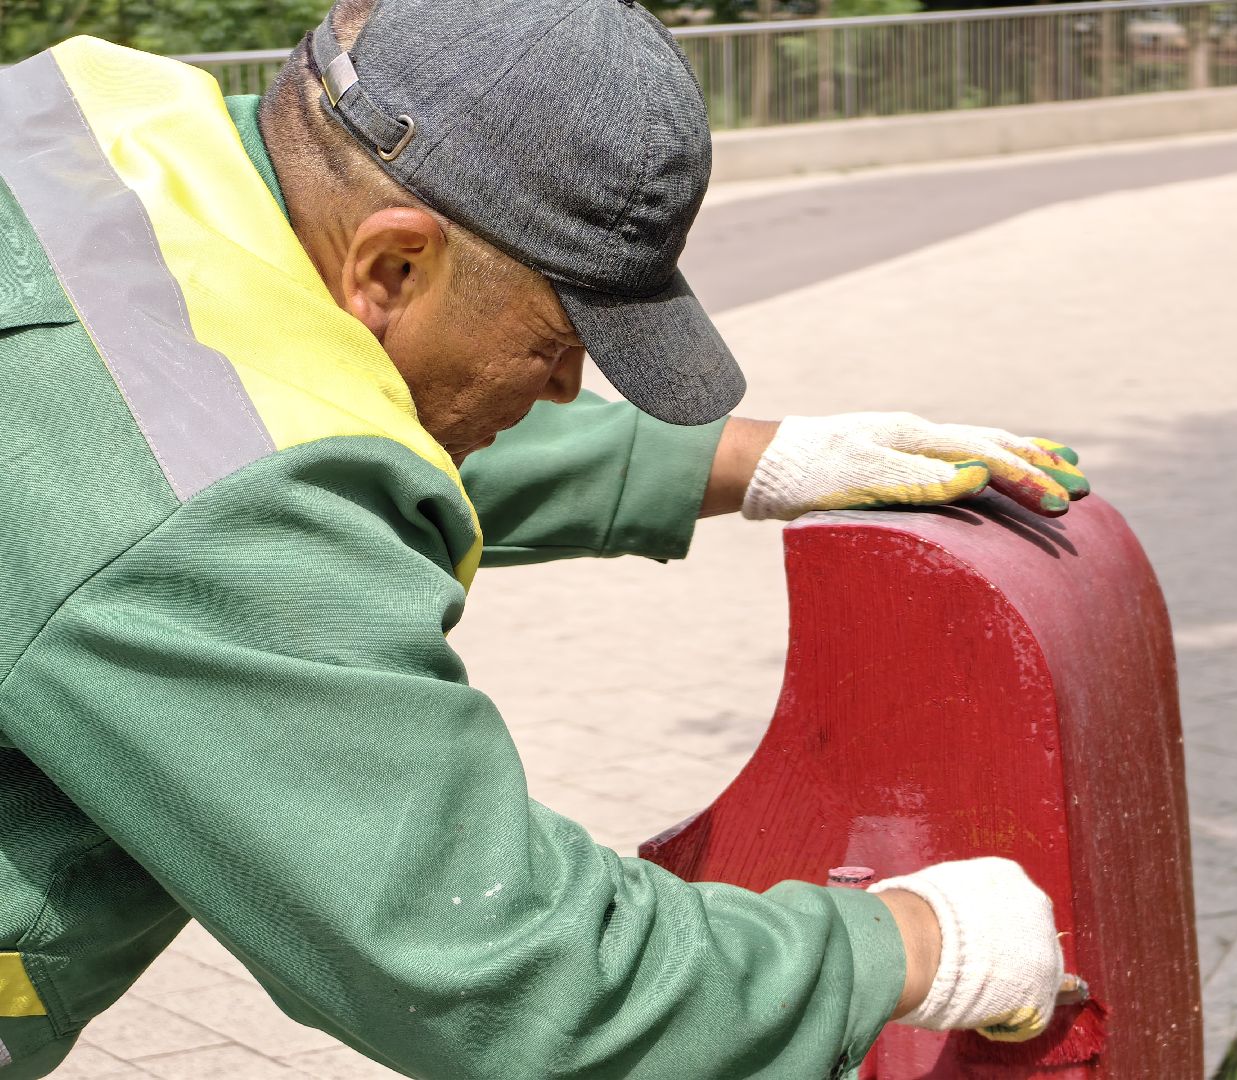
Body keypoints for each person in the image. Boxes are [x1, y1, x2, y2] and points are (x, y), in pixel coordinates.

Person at [0, 1, 1092, 1076]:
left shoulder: (89, 152)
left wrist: (761, 459)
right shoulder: (198, 508)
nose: (568, 384)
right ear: (391, 268)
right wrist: (907, 946)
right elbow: (494, 968)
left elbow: (262, 390)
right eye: (554, 339)